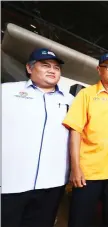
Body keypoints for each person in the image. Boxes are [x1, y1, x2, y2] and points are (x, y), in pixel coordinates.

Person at [62, 53, 108, 227]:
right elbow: (75, 130)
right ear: (99, 69)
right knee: (80, 218)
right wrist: (75, 167)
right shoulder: (86, 95)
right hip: (90, 172)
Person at [1, 48, 73, 227]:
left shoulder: (71, 101)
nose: (52, 70)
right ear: (29, 68)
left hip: (52, 183)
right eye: (45, 65)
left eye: (56, 68)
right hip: (11, 181)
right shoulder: (7, 92)